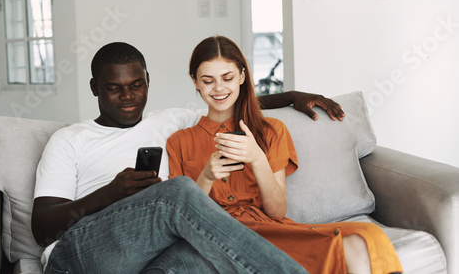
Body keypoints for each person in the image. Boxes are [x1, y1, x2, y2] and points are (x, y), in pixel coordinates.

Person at [31, 41, 344, 274]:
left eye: (136, 85)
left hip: (153, 252)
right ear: (94, 88)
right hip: (82, 256)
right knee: (180, 191)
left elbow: (224, 99)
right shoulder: (69, 140)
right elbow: (42, 229)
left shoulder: (171, 120)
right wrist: (110, 194)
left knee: (207, 256)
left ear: (148, 82)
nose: (127, 96)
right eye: (114, 88)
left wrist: (291, 96)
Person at [167, 36, 404, 274]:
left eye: (227, 78)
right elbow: (180, 219)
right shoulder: (179, 141)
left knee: (366, 237)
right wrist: (207, 177)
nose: (219, 88)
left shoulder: (271, 130)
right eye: (208, 81)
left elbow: (277, 211)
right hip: (219, 237)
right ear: (195, 81)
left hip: (271, 232)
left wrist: (258, 159)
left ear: (241, 76)